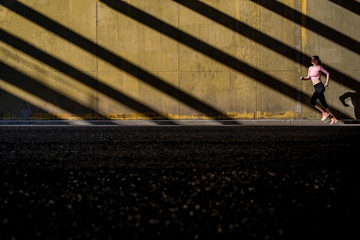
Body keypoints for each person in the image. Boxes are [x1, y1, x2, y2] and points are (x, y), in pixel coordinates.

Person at [300, 56, 337, 124]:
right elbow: (308, 77)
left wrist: (326, 82)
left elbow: (327, 73)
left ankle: (324, 113)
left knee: (312, 101)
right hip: (316, 87)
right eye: (311, 59)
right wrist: (303, 78)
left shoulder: (319, 67)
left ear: (316, 61)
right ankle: (334, 118)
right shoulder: (310, 68)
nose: (312, 60)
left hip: (320, 86)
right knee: (324, 103)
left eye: (313, 59)